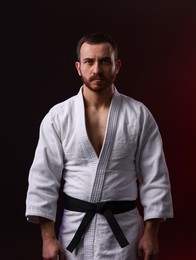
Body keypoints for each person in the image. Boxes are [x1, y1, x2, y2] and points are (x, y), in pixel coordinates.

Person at [25, 32, 174, 260]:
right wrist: (48, 238)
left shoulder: (138, 115)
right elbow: (43, 179)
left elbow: (155, 178)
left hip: (126, 234)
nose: (97, 69)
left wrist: (151, 233)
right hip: (74, 234)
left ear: (117, 66)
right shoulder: (58, 117)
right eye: (89, 61)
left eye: (105, 61)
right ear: (78, 67)